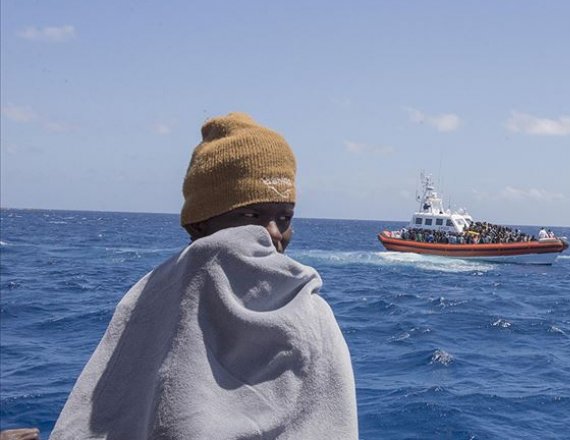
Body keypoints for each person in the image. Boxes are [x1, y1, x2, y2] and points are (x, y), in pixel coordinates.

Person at [49, 113, 358, 439]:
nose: (271, 233)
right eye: (250, 215)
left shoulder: (312, 317)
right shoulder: (144, 304)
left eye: (284, 217)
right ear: (198, 224)